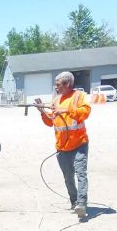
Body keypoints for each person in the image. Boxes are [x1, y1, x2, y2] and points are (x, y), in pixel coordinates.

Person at [34, 71, 91, 219]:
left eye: (58, 84)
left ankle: (81, 204)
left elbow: (85, 112)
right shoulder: (56, 100)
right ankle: (74, 202)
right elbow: (50, 122)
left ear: (67, 84)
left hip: (79, 144)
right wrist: (42, 111)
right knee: (68, 177)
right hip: (62, 147)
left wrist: (65, 110)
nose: (55, 87)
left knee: (81, 173)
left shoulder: (78, 96)